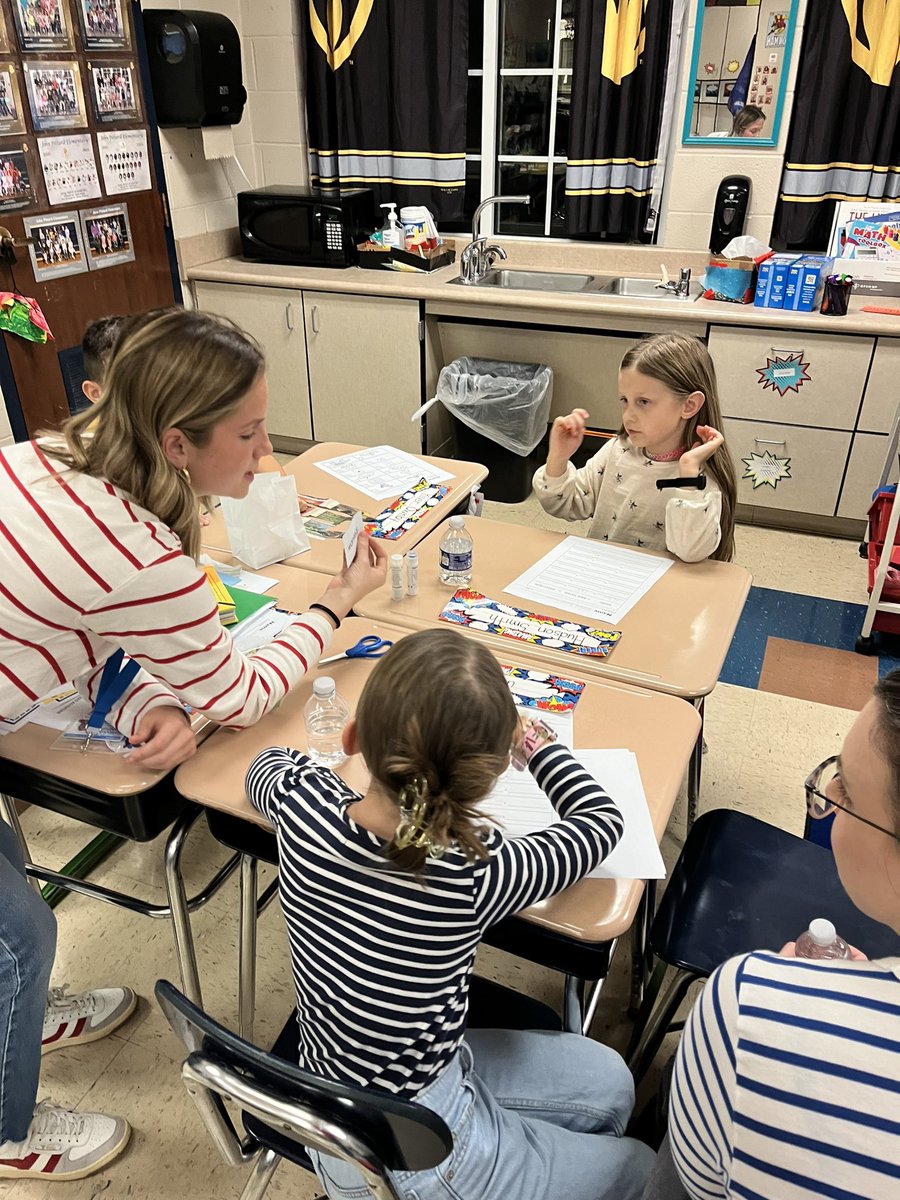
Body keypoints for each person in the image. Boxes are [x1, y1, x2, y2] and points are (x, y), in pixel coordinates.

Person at [0, 306, 387, 1180]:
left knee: (4, 902)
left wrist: (142, 698)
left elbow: (84, 620)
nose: (264, 452)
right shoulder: (144, 556)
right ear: (177, 441)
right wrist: (333, 603)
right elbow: (244, 693)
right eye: (248, 434)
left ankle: (23, 1011)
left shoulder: (46, 456)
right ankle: (4, 1128)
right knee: (15, 932)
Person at [246, 628, 656, 1200]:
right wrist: (533, 741)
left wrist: (325, 759)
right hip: (415, 1150)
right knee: (639, 1168)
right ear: (485, 779)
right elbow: (598, 824)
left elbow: (266, 767)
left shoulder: (304, 806)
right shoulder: (473, 872)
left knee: (610, 1083)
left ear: (354, 734)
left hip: (346, 1092)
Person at [668, 673, 900, 1199]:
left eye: (849, 792)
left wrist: (813, 1003)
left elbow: (701, 1186)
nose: (830, 798)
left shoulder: (750, 998)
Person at [533, 332, 737, 563]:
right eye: (624, 400)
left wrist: (688, 473)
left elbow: (691, 552)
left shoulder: (699, 475)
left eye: (643, 402)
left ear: (689, 405)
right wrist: (558, 458)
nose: (628, 416)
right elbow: (565, 505)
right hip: (606, 580)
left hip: (666, 591)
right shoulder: (617, 451)